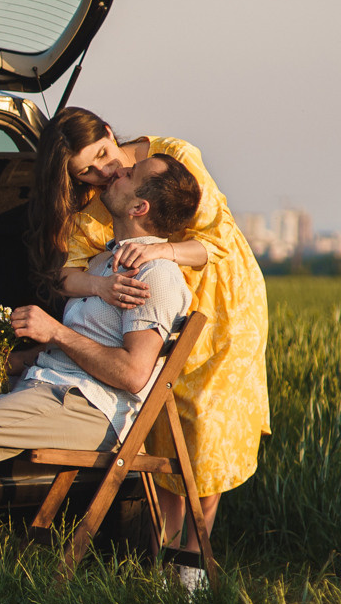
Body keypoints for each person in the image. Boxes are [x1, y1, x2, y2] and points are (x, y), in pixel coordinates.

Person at [0, 153, 200, 594]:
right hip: (42, 384)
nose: (117, 170)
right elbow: (72, 348)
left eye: (130, 175)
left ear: (140, 207)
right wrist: (15, 362)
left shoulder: (156, 275)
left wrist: (56, 333)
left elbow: (133, 374)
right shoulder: (105, 263)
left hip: (87, 407)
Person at [26, 108, 268, 569]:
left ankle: (190, 578)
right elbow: (65, 275)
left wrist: (163, 250)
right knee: (159, 436)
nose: (105, 170)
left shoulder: (171, 156)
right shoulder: (101, 200)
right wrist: (98, 285)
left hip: (221, 308)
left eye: (102, 154)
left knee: (204, 441)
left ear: (109, 133)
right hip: (148, 315)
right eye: (88, 171)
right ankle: (162, 571)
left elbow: (219, 240)